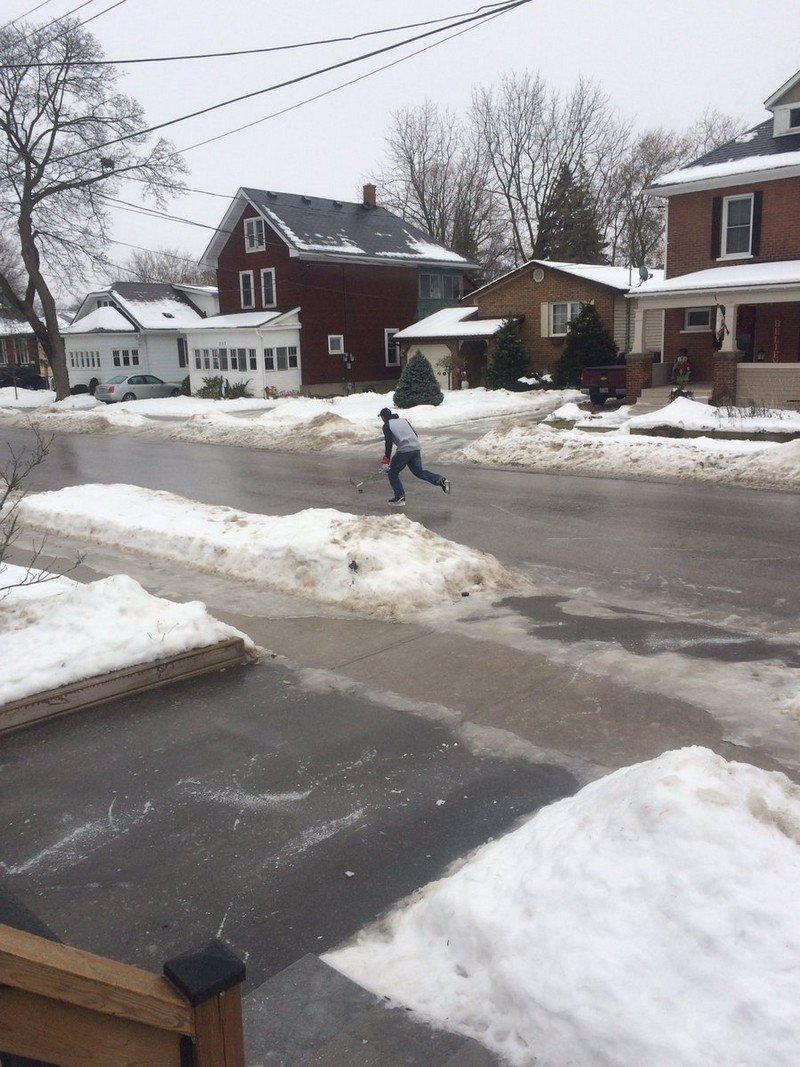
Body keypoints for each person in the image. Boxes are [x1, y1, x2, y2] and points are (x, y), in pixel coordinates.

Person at [379, 407, 450, 507]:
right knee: (418, 472)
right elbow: (415, 434)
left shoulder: (387, 425)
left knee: (392, 472)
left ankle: (399, 497)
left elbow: (388, 443)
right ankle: (441, 480)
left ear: (383, 417)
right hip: (416, 448)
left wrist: (386, 460)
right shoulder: (404, 421)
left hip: (404, 450)